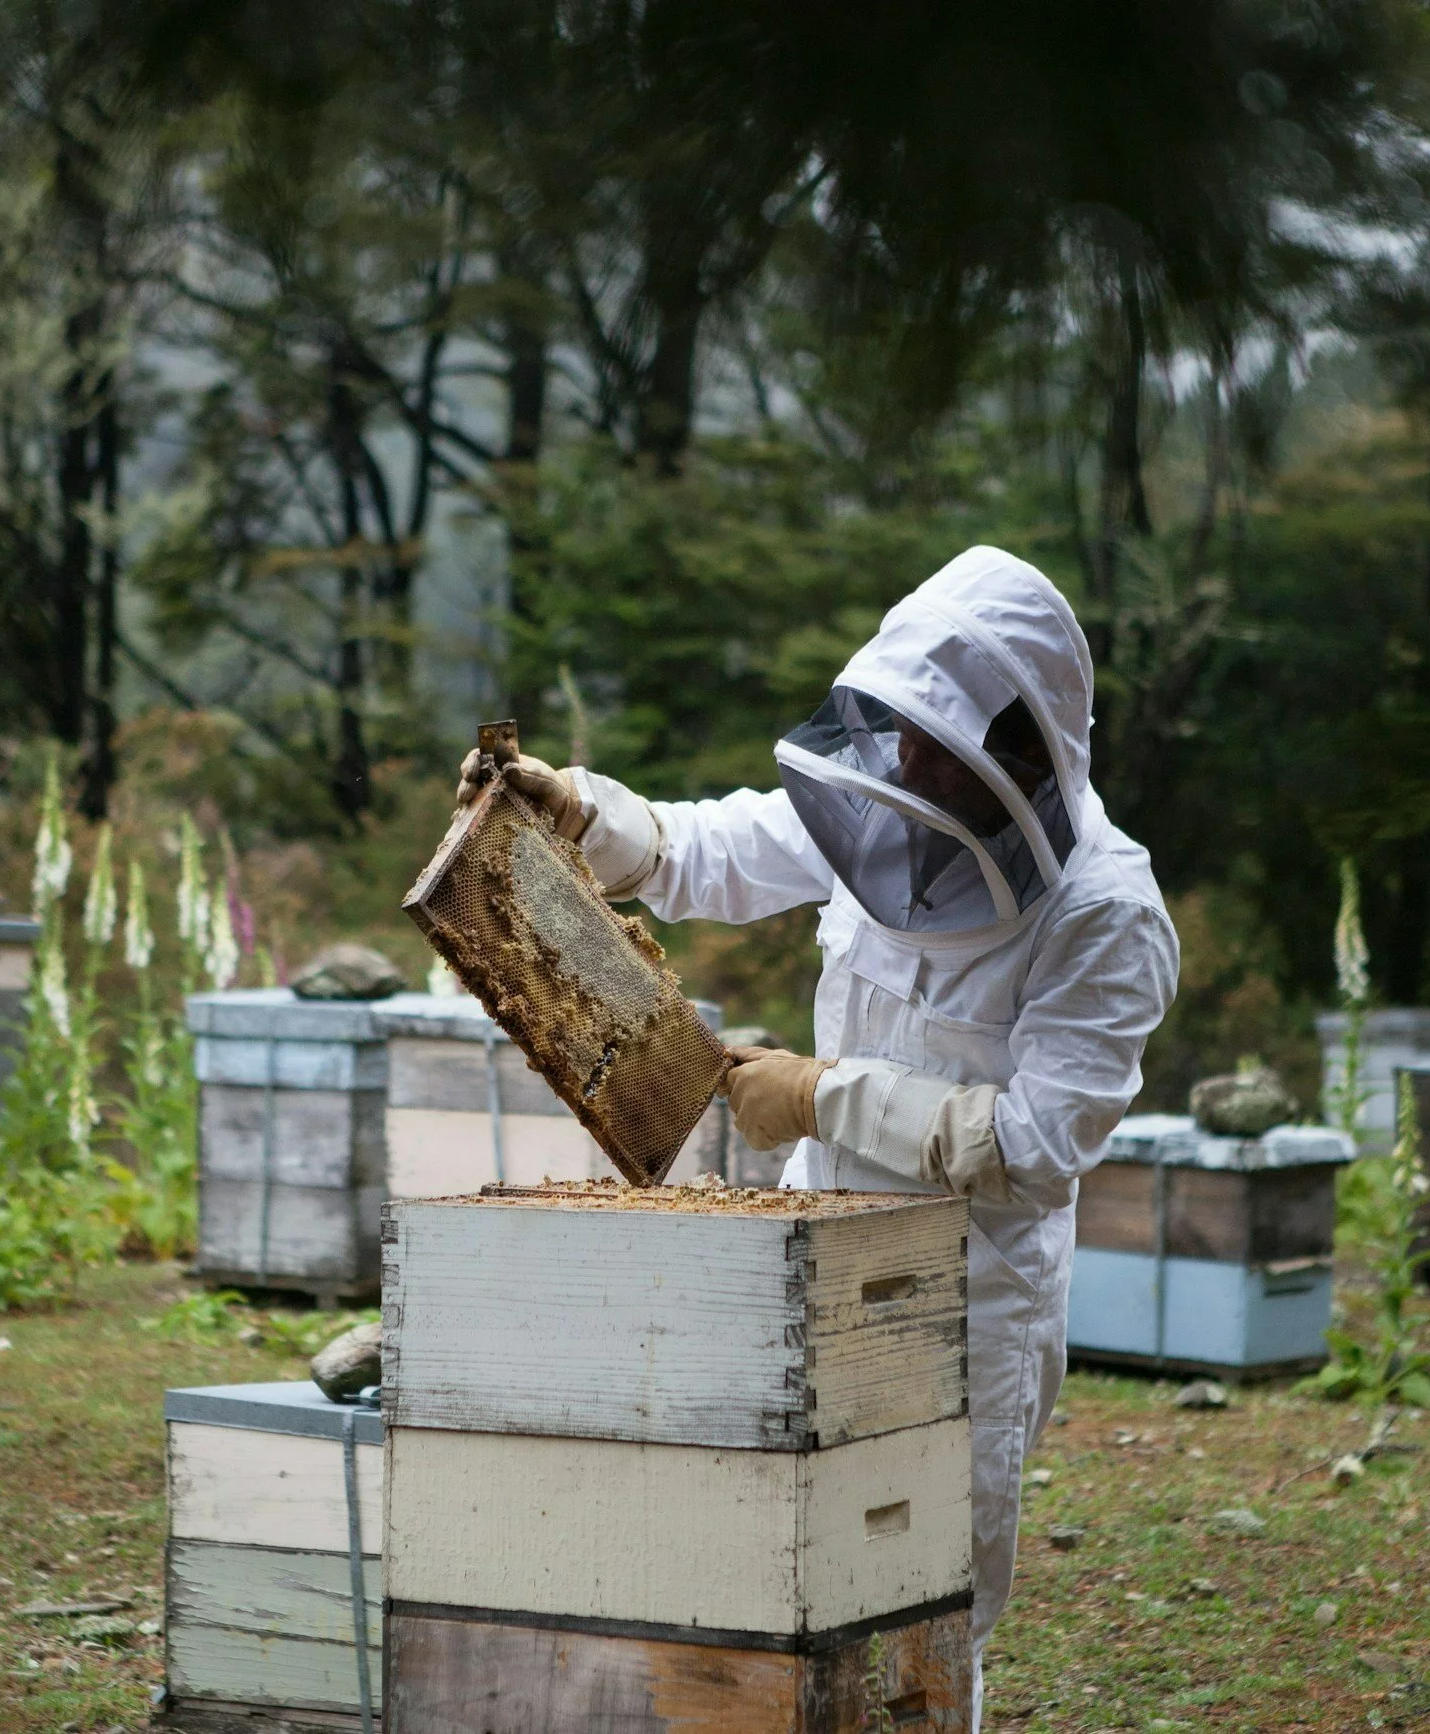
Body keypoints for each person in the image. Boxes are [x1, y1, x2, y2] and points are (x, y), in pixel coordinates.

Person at [457, 544, 1178, 1728]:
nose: (906, 763)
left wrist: (820, 1093)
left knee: (918, 1624)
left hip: (966, 1303)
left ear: (1020, 751)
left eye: (939, 745)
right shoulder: (886, 806)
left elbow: (1041, 1148)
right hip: (811, 1261)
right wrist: (580, 809)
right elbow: (709, 850)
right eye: (900, 729)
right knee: (768, 1590)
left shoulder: (1106, 914)